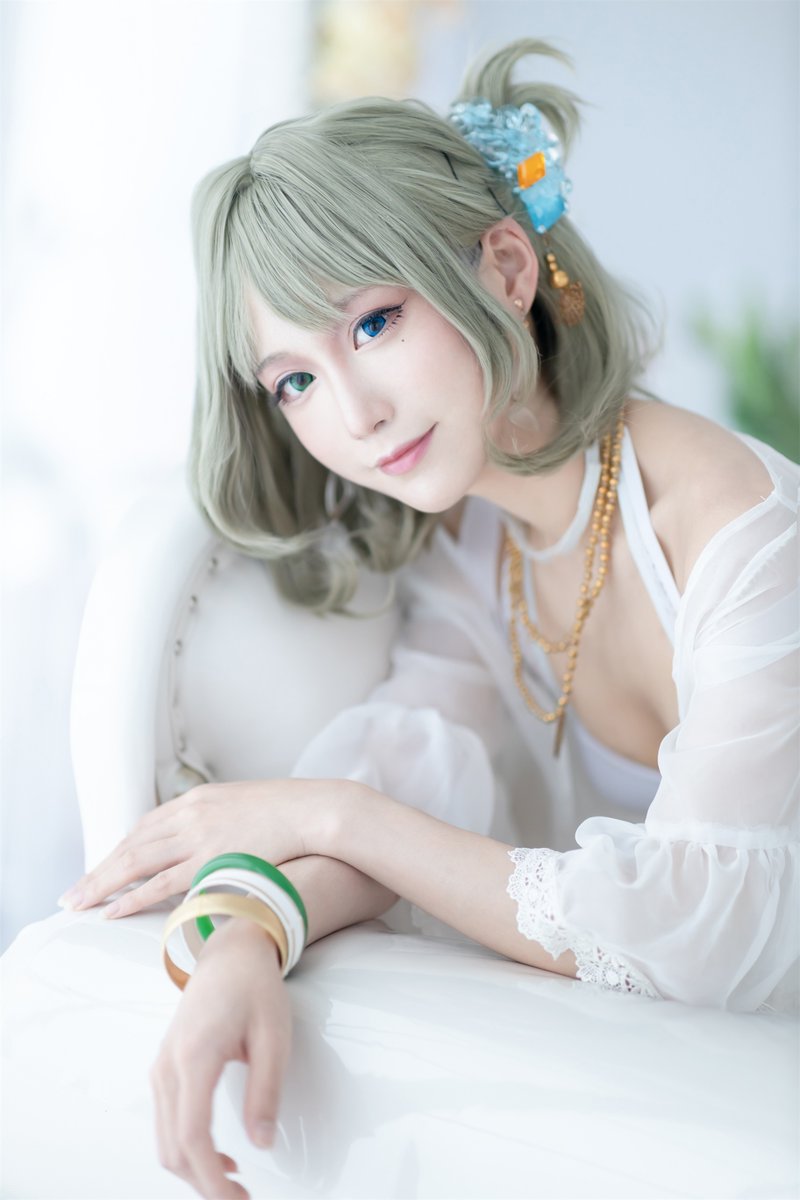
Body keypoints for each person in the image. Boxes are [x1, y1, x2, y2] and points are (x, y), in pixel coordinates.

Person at [58, 38, 798, 1200]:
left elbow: (692, 936)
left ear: (504, 267)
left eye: (370, 324)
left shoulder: (736, 532)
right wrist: (247, 937)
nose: (351, 412)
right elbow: (410, 770)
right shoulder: (474, 544)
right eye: (294, 380)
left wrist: (329, 813)